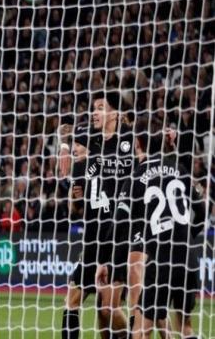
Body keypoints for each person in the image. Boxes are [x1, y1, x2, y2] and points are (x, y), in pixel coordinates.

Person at [96, 116, 205, 339]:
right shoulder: (180, 169)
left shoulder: (136, 177)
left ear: (137, 142)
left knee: (142, 330)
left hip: (162, 261)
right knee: (185, 327)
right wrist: (186, 236)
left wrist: (104, 260)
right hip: (189, 259)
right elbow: (202, 213)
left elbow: (118, 223)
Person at [60, 91, 133, 339]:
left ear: (115, 113)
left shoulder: (128, 142)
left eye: (101, 107)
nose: (94, 112)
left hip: (116, 238)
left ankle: (136, 334)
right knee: (72, 300)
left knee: (106, 310)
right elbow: (64, 128)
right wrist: (74, 197)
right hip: (91, 238)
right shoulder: (89, 142)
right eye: (94, 108)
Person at [63, 123, 110, 338]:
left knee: (72, 303)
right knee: (106, 310)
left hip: (94, 244)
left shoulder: (81, 167)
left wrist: (73, 198)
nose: (75, 149)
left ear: (89, 145)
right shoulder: (113, 160)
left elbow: (73, 212)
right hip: (114, 240)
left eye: (78, 144)